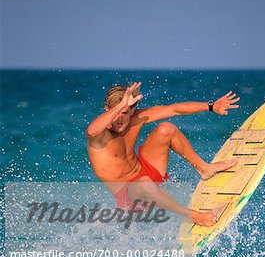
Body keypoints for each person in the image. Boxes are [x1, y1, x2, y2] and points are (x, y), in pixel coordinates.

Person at [86, 82, 240, 226]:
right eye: (116, 113)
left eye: (125, 112)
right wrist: (120, 106)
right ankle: (191, 215)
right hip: (130, 196)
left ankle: (204, 169)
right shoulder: (100, 137)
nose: (120, 119)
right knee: (144, 182)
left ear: (132, 109)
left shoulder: (134, 119)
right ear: (108, 109)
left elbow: (173, 109)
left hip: (147, 173)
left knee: (166, 129)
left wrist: (211, 106)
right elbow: (91, 131)